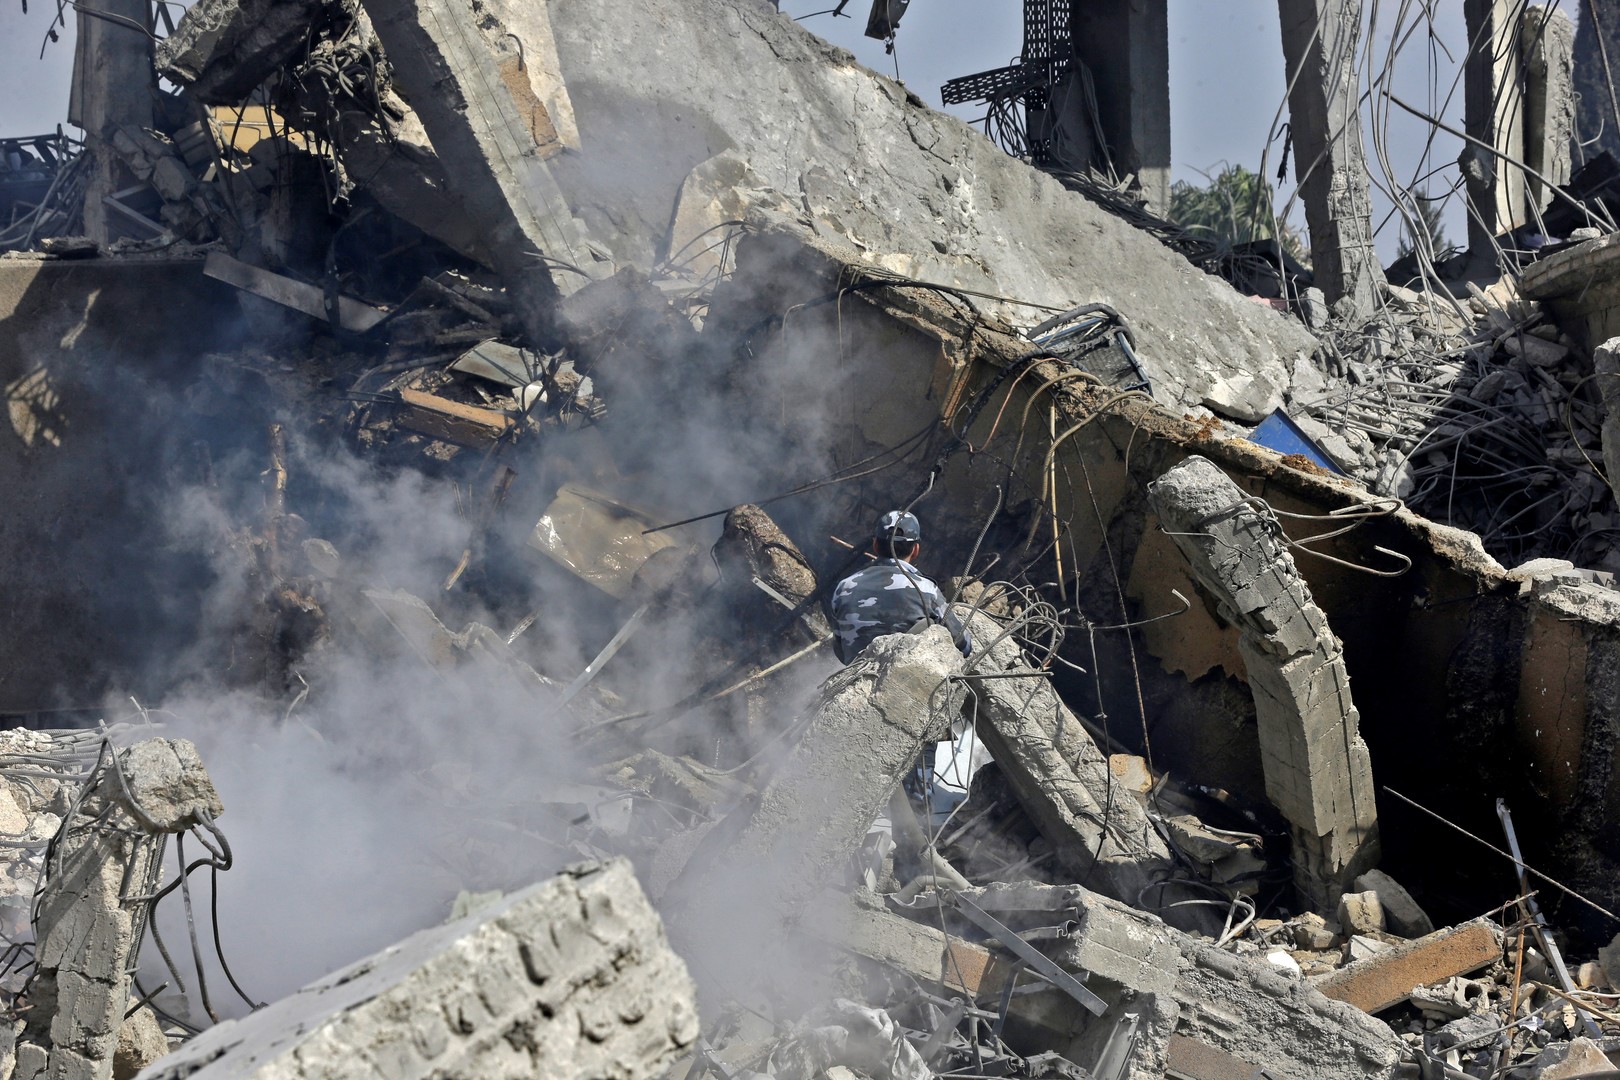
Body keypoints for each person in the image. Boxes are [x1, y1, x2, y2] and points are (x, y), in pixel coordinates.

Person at [830, 510, 972, 665]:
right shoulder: (925, 589)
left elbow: (840, 648)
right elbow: (963, 645)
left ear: (875, 545)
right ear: (916, 550)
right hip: (908, 677)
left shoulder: (844, 587)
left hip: (856, 675)